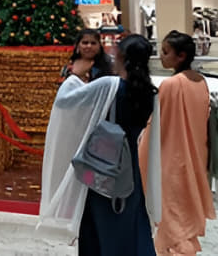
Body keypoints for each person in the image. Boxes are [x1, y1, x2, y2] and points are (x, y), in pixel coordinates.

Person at [39, 34, 160, 253]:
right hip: (129, 167)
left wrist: (74, 75)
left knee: (99, 221)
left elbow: (66, 101)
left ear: (122, 57)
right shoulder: (149, 93)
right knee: (129, 218)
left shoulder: (110, 85)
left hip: (100, 166)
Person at [141, 31, 215, 256]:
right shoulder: (200, 81)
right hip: (196, 158)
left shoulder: (171, 84)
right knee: (185, 212)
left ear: (180, 56)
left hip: (172, 160)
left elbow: (156, 126)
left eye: (165, 52)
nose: (161, 56)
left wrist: (141, 150)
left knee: (172, 216)